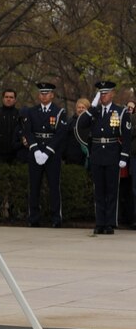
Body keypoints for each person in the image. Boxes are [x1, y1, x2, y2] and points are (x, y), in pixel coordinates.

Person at [75, 81, 132, 234]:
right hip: (97, 154)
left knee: (112, 191)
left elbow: (126, 137)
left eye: (106, 93)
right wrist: (91, 108)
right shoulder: (95, 111)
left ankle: (110, 223)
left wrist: (124, 156)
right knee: (99, 190)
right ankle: (100, 222)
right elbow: (81, 125)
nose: (103, 96)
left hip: (113, 153)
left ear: (112, 94)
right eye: (101, 93)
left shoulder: (120, 112)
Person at [21, 82, 67, 228]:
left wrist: (47, 152)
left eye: (47, 93)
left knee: (54, 186)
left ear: (52, 95)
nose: (44, 96)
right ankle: (33, 217)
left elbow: (60, 134)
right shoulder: (31, 111)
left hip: (52, 154)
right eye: (42, 93)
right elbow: (28, 131)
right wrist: (35, 149)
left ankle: (56, 218)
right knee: (34, 186)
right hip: (35, 153)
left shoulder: (59, 112)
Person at [0, 89, 25, 163]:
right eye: (6, 97)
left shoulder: (20, 114)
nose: (8, 99)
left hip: (16, 154)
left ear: (15, 100)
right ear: (3, 99)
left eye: (11, 97)